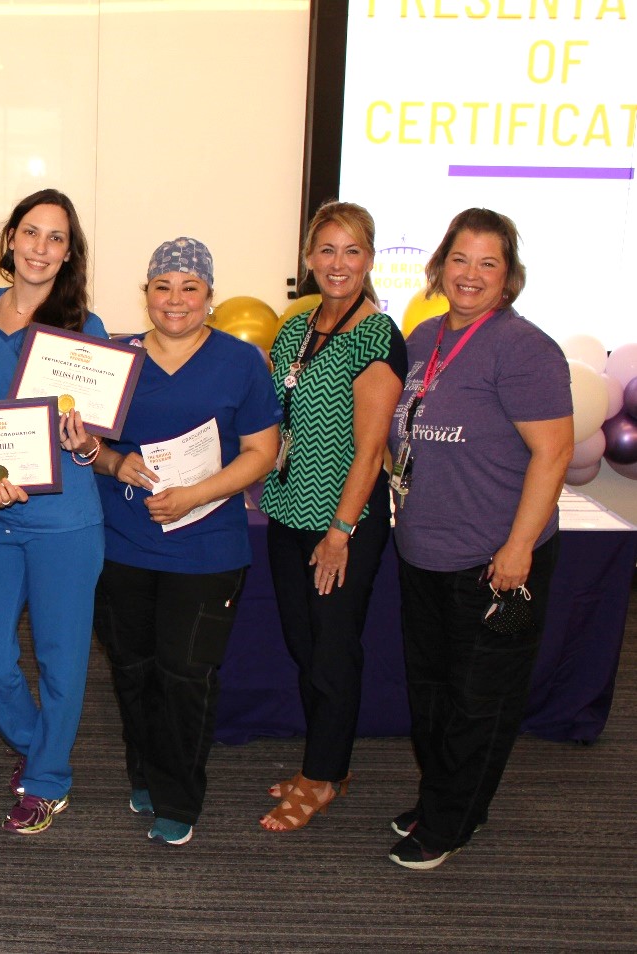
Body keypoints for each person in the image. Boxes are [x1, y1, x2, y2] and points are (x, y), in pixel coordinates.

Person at [385, 208, 572, 870]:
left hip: (492, 560)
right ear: (437, 267)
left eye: (487, 263)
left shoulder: (522, 349)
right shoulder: (423, 338)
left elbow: (553, 453)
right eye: (459, 260)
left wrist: (517, 549)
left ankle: (448, 824)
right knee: (430, 693)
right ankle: (444, 796)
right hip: (423, 551)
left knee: (477, 703)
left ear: (508, 277)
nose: (470, 274)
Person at [92, 238, 281, 846]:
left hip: (207, 551)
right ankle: (145, 772)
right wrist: (112, 460)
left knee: (185, 674)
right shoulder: (113, 360)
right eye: (163, 287)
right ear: (146, 293)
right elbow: (88, 449)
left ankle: (179, 797)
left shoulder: (241, 363)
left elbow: (262, 452)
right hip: (123, 545)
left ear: (210, 297)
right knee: (133, 670)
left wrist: (197, 495)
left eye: (189, 287)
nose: (175, 300)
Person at [0, 188, 106, 836]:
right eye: (31, 232)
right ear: (10, 238)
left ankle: (47, 779)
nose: (40, 248)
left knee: (59, 659)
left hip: (63, 523)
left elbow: (93, 436)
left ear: (68, 253)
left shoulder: (84, 329)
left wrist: (85, 443)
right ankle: (39, 740)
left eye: (56, 238)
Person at [257, 200, 406, 832]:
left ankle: (320, 778)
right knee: (304, 644)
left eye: (351, 251)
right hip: (288, 514)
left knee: (333, 652)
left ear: (369, 259)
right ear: (308, 258)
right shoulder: (296, 330)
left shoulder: (376, 334)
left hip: (341, 522)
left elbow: (372, 449)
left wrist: (342, 532)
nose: (337, 263)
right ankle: (327, 763)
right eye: (326, 250)